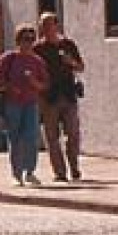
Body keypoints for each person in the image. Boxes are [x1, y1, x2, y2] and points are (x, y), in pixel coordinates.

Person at [0, 25, 49, 187]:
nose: (29, 43)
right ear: (18, 41)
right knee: (15, 137)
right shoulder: (9, 58)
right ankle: (16, 172)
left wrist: (34, 83)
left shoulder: (37, 61)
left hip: (31, 102)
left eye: (32, 39)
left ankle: (30, 171)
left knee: (31, 137)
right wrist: (11, 88)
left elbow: (44, 84)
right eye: (26, 39)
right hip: (13, 103)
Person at [34, 12, 86, 182]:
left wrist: (70, 61)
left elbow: (80, 67)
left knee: (73, 133)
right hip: (48, 96)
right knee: (51, 136)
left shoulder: (68, 44)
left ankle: (74, 166)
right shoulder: (38, 49)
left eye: (49, 25)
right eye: (43, 26)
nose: (46, 29)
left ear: (57, 25)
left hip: (68, 94)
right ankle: (60, 172)